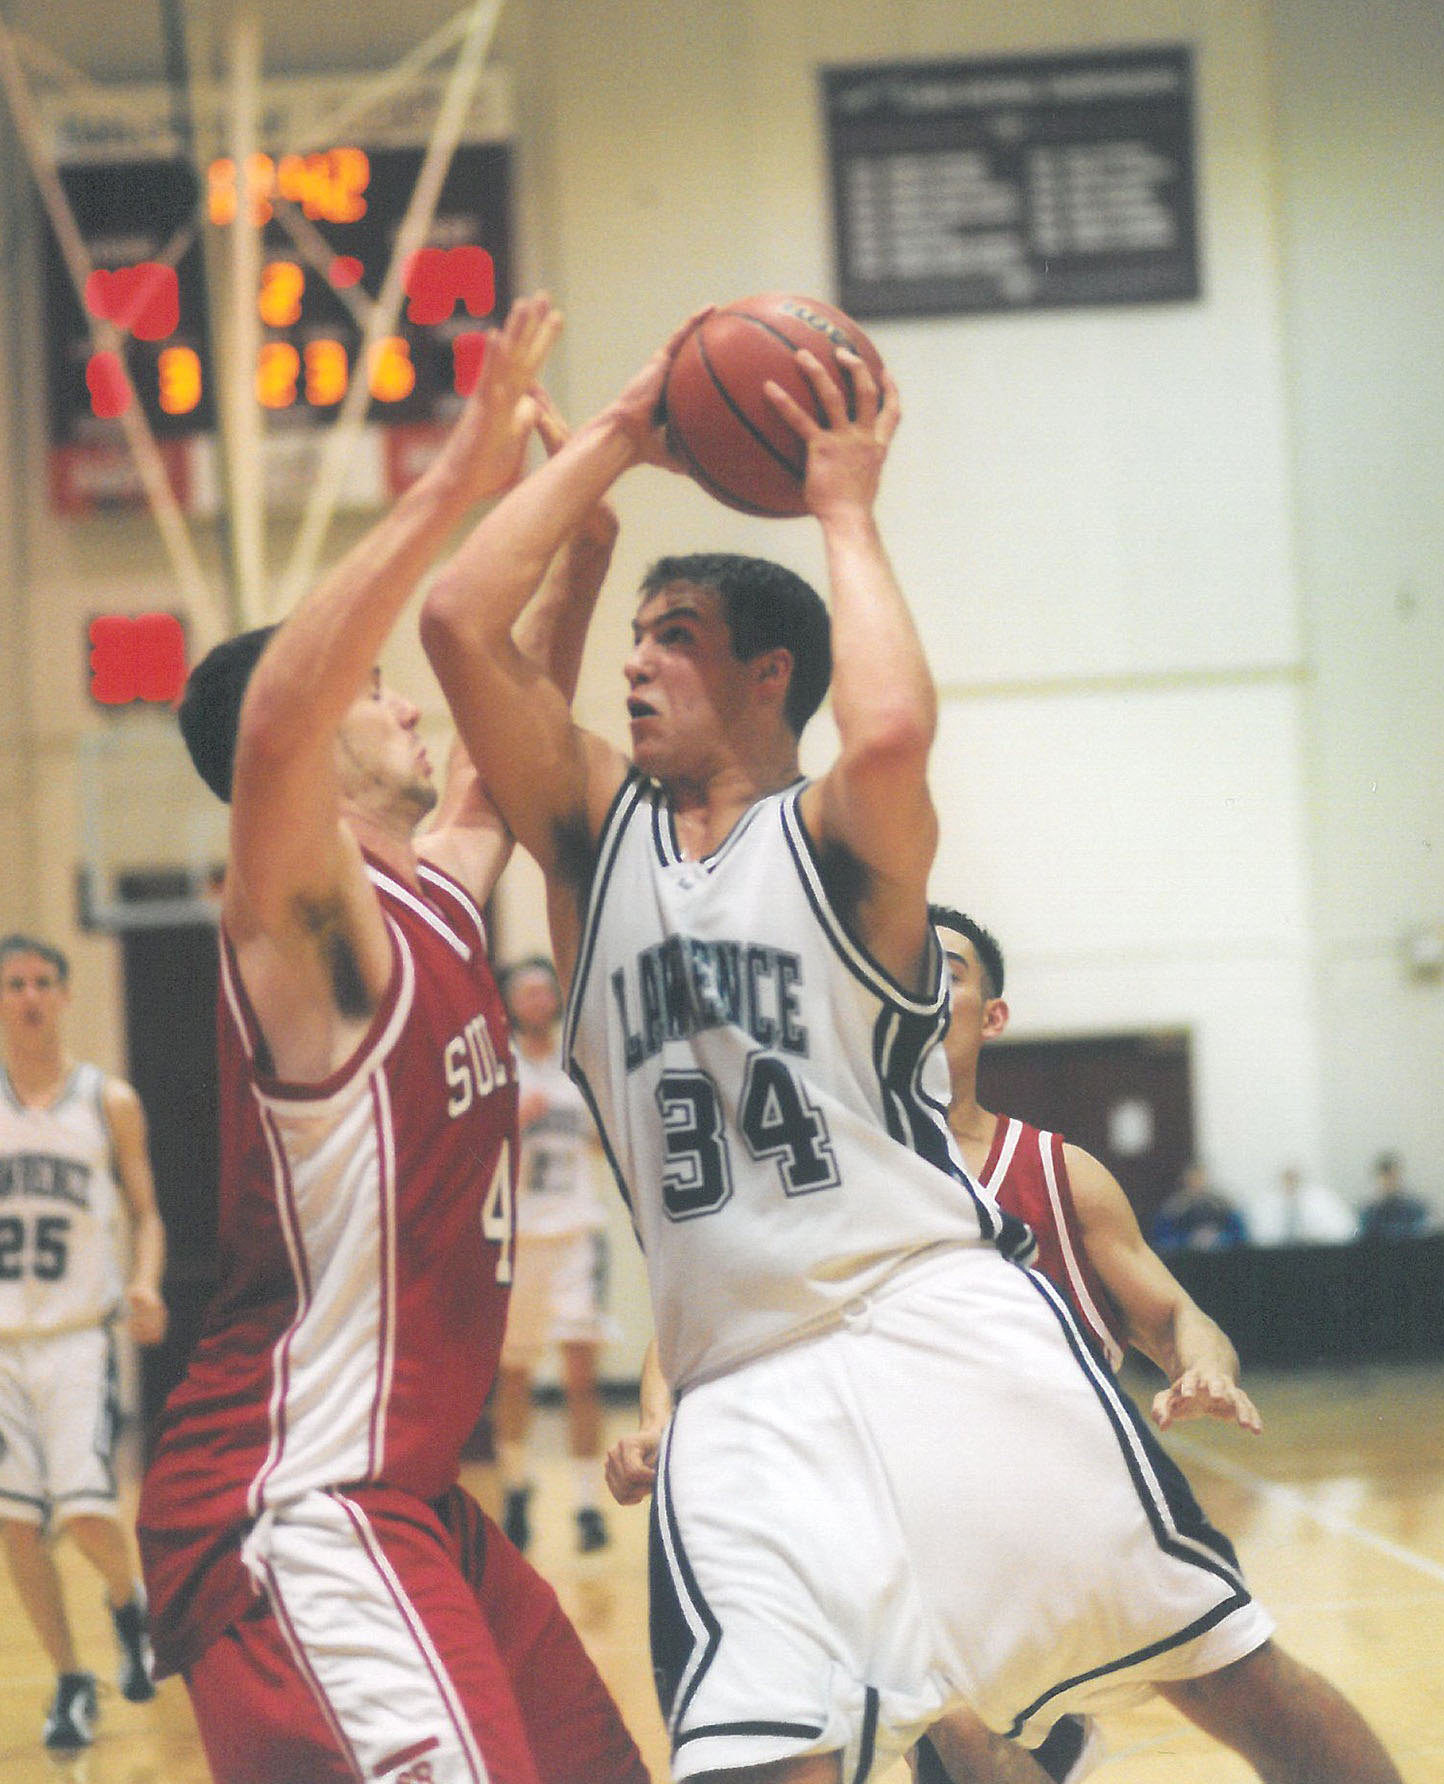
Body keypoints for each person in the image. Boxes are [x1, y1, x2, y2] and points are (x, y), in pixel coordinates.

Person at [421, 305, 1402, 1784]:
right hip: (737, 1389)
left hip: (936, 1330)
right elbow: (454, 625)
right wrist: (621, 435)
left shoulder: (837, 844)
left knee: (1235, 1677)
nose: (634, 667)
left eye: (674, 643)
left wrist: (845, 513)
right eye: (631, 641)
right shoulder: (591, 833)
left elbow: (886, 734)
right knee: (757, 1763)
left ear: (769, 678)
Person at [135, 297, 647, 1784]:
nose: (407, 704)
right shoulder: (307, 930)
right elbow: (285, 715)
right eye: (376, 692)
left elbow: (505, 739)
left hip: (414, 1497)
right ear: (288, 758)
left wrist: (586, 543)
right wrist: (449, 482)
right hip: (303, 1497)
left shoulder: (429, 894)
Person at [0, 932, 167, 1751]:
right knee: (15, 1524)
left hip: (78, 1340)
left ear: (65, 996)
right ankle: (71, 1680)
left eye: (41, 982)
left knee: (87, 1506)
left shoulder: (109, 1101)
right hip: (0, 1347)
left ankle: (127, 1596)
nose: (28, 997)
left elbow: (148, 1215)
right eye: (13, 985)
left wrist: (145, 1280)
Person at [495, 954, 617, 1555]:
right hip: (519, 1242)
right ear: (512, 1003)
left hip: (575, 1233)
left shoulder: (577, 1066)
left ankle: (589, 1506)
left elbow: (601, 1141)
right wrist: (509, 1125)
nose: (540, 1000)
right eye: (528, 992)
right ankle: (517, 1490)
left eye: (547, 990)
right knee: (513, 1374)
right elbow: (468, 1153)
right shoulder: (498, 1069)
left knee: (581, 1376)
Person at [1151, 1160, 1250, 1252]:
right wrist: (1189, 1240)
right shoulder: (1174, 1208)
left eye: (1199, 1178)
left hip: (1220, 1258)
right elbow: (1161, 1240)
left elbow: (1241, 1236)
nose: (1196, 1183)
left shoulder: (1223, 1204)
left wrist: (1218, 1238)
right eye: (1192, 1179)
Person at [1249, 1164, 1358, 1246]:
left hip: (1320, 1253)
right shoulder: (1267, 1203)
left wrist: (1316, 1236)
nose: (1290, 1184)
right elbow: (1259, 1236)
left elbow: (1346, 1229)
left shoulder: (1322, 1198)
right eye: (1286, 1180)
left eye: (1294, 1179)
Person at [1357, 1151, 1432, 1241]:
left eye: (1393, 1178)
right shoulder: (1369, 1214)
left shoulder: (1416, 1209)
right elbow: (1364, 1243)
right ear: (1378, 1180)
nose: (1390, 1183)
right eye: (1385, 1179)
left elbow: (1421, 1235)